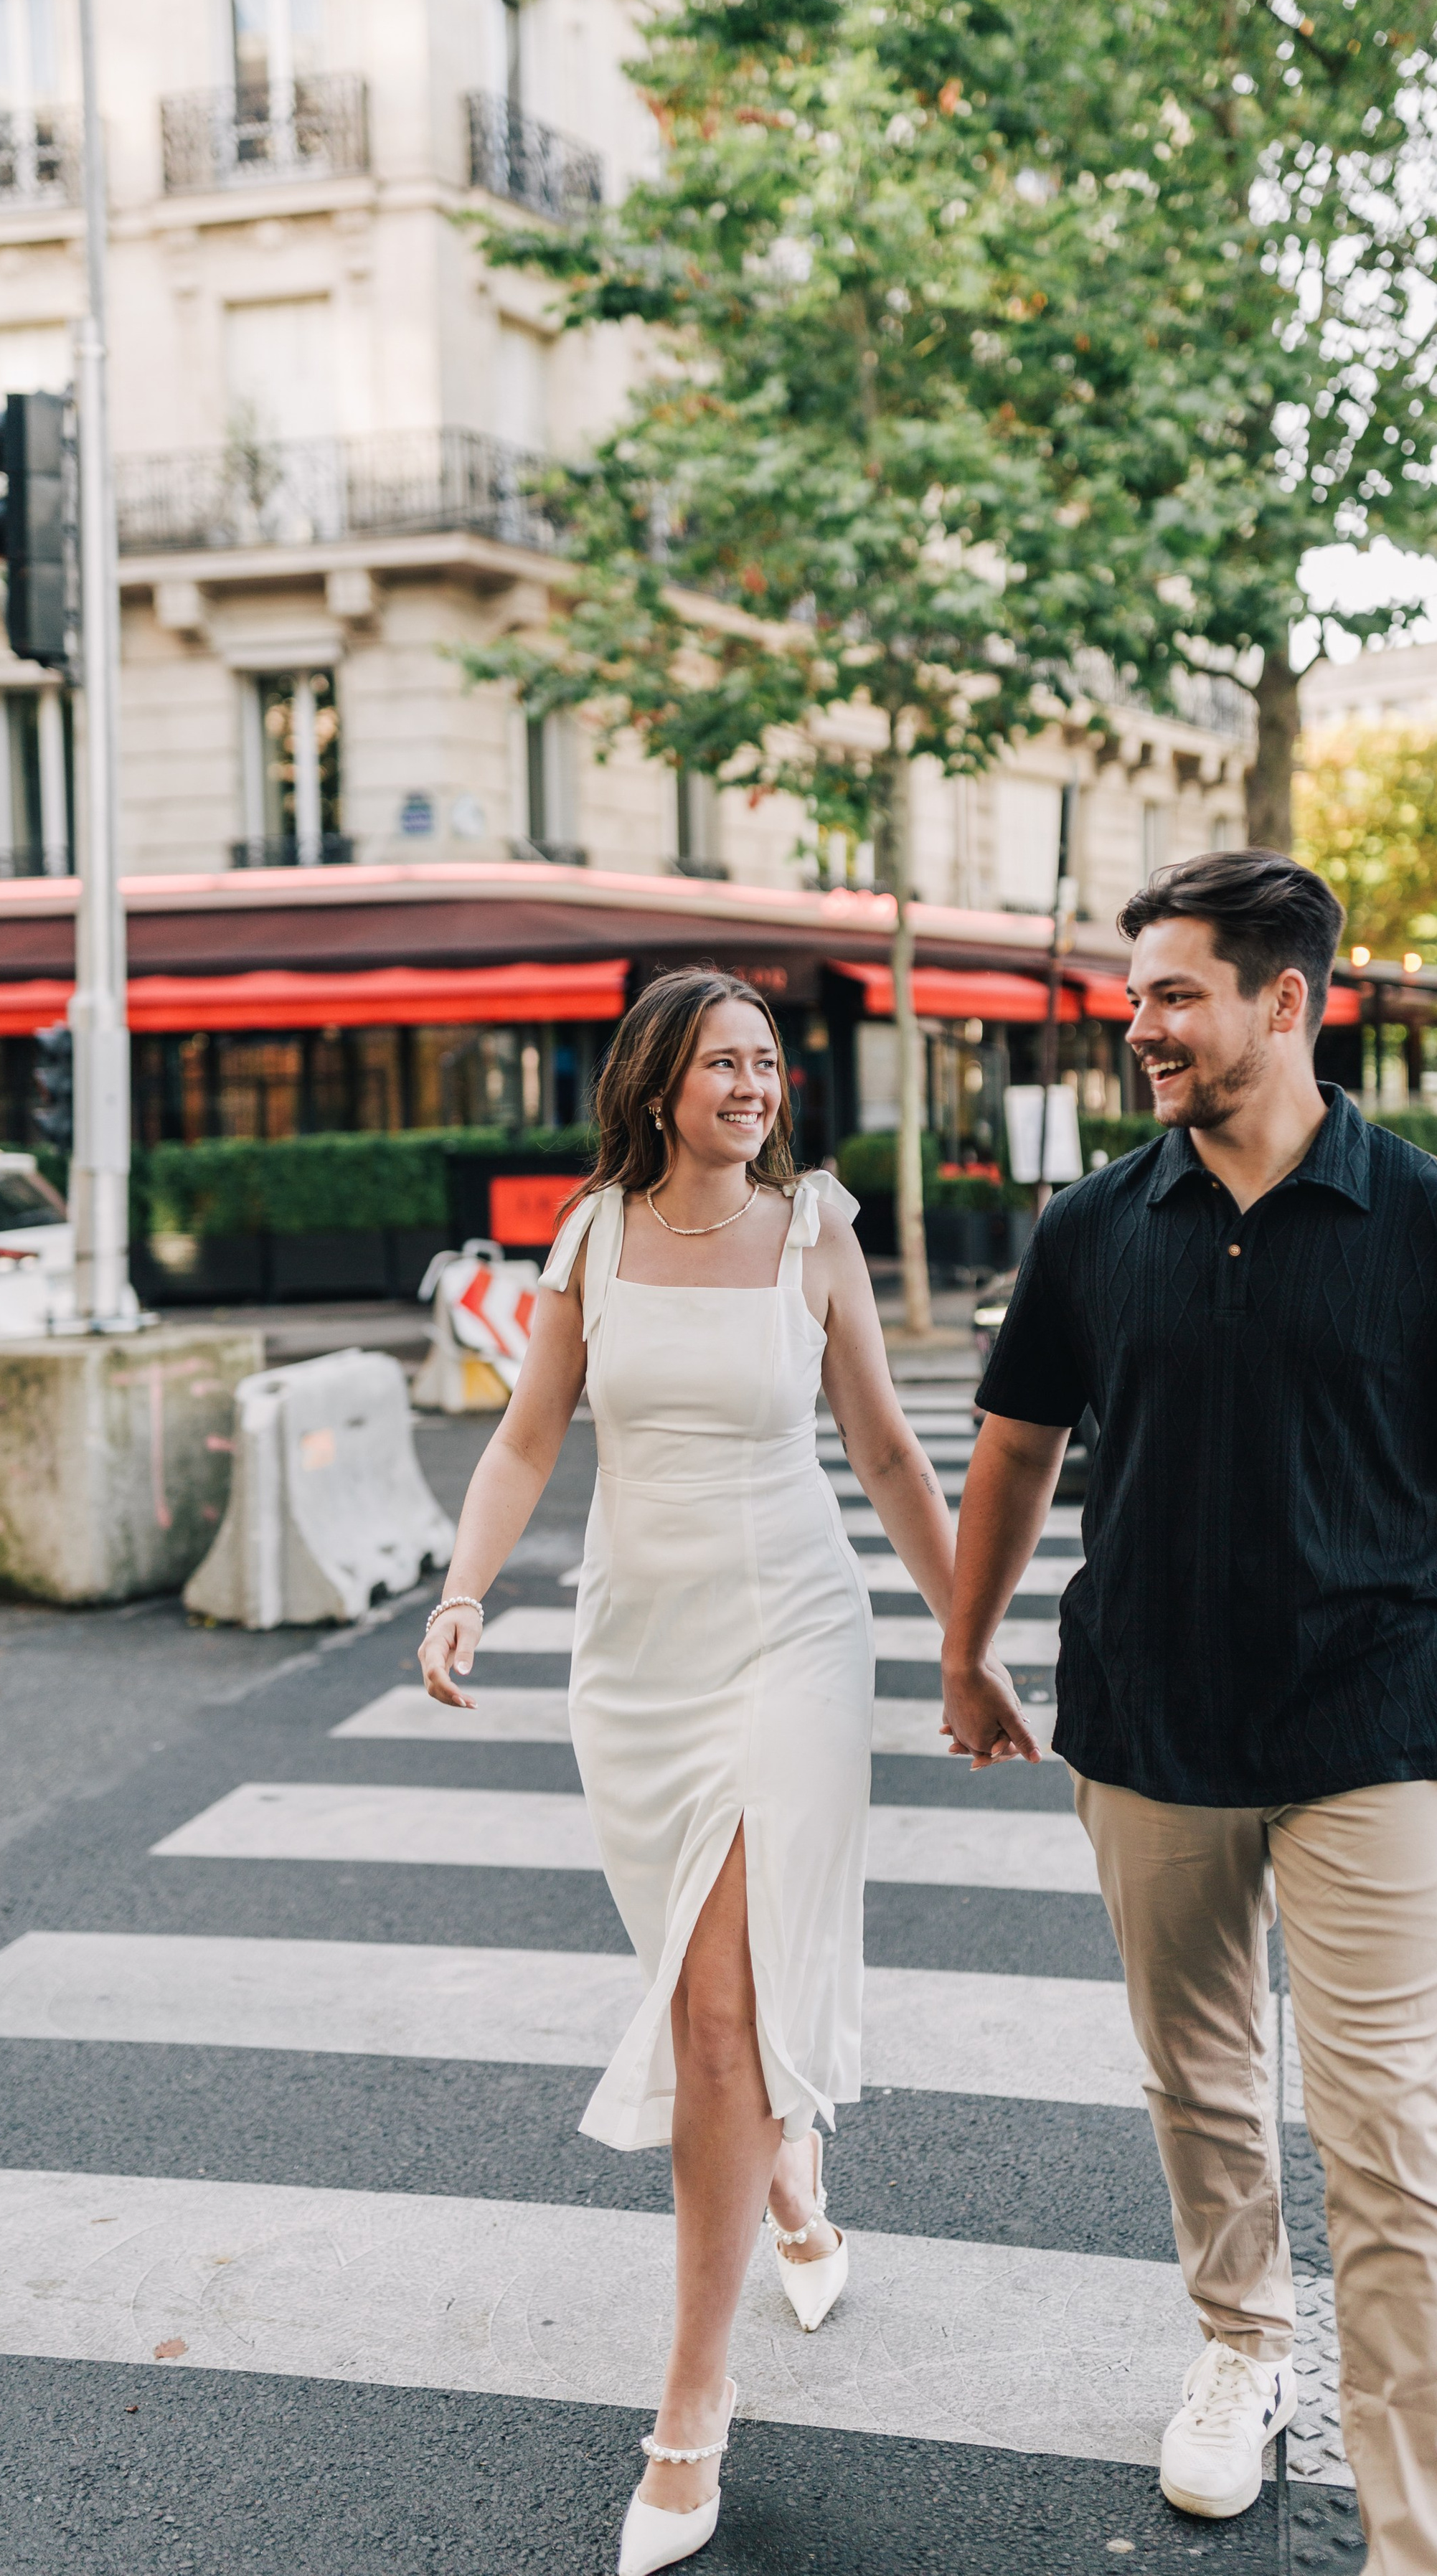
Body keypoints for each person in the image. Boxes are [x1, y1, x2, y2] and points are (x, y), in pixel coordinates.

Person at [941, 850, 1437, 2576]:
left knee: (1388, 2135)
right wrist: (965, 1647)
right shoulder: (1094, 1227)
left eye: (1173, 992)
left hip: (1372, 1722)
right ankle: (1241, 2349)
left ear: (1283, 1001)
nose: (1138, 1025)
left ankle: (1419, 2544)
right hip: (1148, 1717)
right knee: (1200, 2083)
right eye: (1137, 992)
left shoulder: (1436, 1223)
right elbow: (1013, 1452)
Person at [418, 966, 958, 2576]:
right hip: (633, 1660)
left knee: (715, 2014)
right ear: (656, 1086)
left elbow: (881, 1451)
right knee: (695, 1993)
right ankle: (789, 2175)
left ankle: (689, 2413)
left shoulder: (817, 1234)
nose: (753, 1086)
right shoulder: (586, 1239)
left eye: (768, 1064)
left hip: (793, 1631)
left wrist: (967, 1635)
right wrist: (461, 1592)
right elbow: (524, 1439)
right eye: (722, 1063)